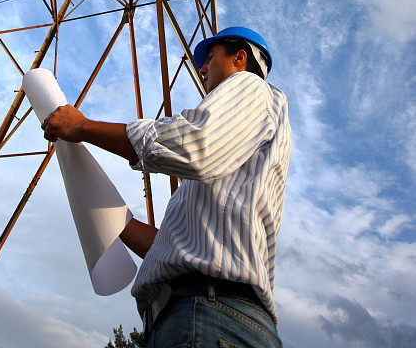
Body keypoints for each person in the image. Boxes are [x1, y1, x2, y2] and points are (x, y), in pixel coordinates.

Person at [42, 26, 291, 348]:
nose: (201, 68)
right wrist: (100, 207)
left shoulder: (252, 87)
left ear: (240, 57)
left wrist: (84, 127)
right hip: (199, 315)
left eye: (210, 57)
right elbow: (172, 249)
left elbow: (195, 146)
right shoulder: (224, 169)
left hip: (213, 314)